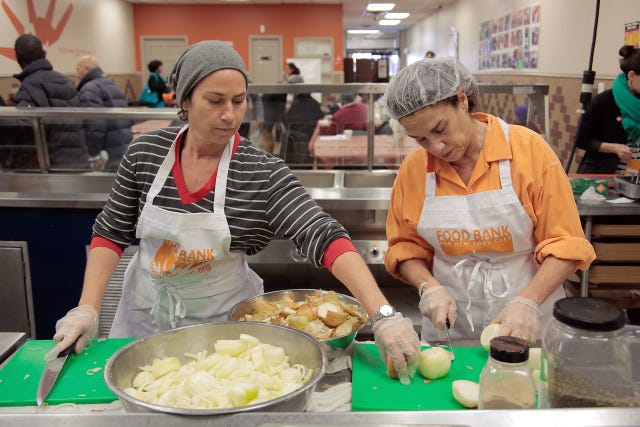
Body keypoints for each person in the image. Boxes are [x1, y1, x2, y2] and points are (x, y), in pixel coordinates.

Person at [48, 40, 420, 384]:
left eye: (239, 101)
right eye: (215, 101)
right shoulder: (144, 154)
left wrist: (383, 316)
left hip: (225, 339)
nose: (230, 115)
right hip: (142, 320)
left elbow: (323, 235)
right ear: (185, 100)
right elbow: (110, 233)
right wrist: (87, 309)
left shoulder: (260, 172)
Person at [383, 57, 596, 344]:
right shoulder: (414, 170)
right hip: (450, 329)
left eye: (439, 129)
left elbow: (565, 243)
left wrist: (527, 302)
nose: (436, 147)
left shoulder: (529, 150)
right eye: (420, 139)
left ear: (461, 99)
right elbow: (405, 248)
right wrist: (428, 286)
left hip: (526, 321)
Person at [12, 34, 89, 169]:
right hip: (78, 162)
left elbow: (26, 126)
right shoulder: (65, 80)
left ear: (18, 58)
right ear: (44, 54)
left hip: (52, 166)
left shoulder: (29, 85)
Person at [575, 45, 640, 174]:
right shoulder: (603, 101)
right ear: (632, 75)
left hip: (635, 179)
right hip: (605, 177)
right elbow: (581, 139)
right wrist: (614, 148)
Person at [76, 55, 133, 171]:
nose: (76, 74)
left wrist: (93, 153)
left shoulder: (89, 89)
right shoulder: (110, 84)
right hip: (122, 146)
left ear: (86, 68)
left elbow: (95, 124)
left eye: (77, 69)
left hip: (107, 150)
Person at [281, 92, 324, 165]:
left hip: (297, 134)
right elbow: (321, 116)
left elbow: (288, 119)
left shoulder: (295, 104)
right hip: (311, 134)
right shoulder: (314, 103)